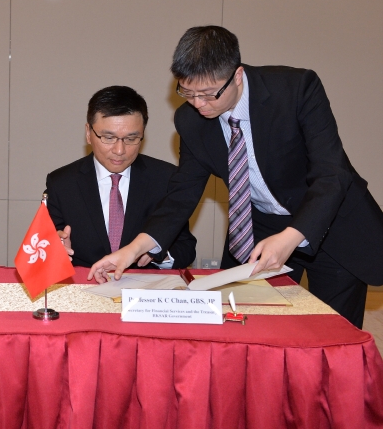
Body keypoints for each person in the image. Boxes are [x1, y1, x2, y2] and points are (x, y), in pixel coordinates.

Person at [90, 25, 383, 327]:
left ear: (237, 76)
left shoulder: (296, 90)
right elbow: (182, 193)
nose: (198, 104)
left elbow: (332, 174)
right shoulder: (189, 120)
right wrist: (135, 247)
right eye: (187, 93)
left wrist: (291, 237)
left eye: (208, 94)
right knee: (255, 328)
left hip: (329, 223)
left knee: (330, 334)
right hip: (262, 230)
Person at [46, 86, 196, 269]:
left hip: (142, 291)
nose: (119, 150)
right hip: (85, 286)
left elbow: (185, 247)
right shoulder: (61, 183)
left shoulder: (166, 178)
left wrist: (156, 253)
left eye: (131, 139)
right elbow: (47, 244)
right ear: (88, 133)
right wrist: (58, 251)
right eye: (108, 138)